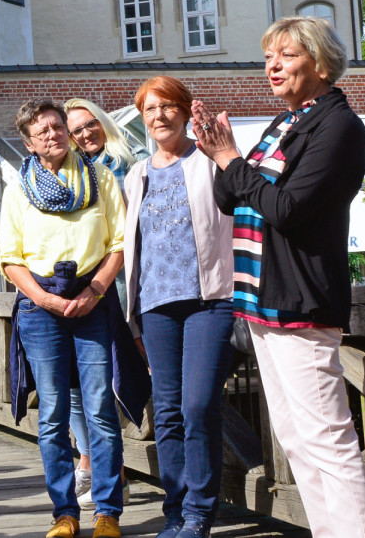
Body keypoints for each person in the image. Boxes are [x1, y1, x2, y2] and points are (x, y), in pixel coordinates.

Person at [193, 17, 365, 538]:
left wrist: (232, 160)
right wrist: (220, 153)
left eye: (287, 55)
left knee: (327, 438)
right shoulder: (286, 123)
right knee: (297, 437)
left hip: (299, 299)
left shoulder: (339, 126)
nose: (272, 65)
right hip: (260, 300)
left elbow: (287, 208)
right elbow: (231, 197)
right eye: (268, 56)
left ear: (321, 65)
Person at [0, 99, 144, 538]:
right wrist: (44, 299)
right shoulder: (18, 187)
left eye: (56, 126)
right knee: (54, 413)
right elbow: (9, 257)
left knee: (99, 409)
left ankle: (107, 512)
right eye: (40, 131)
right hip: (42, 308)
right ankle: (64, 513)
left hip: (93, 301)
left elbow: (119, 242)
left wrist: (96, 289)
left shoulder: (98, 177)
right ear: (28, 142)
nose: (52, 135)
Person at [122, 77, 234, 538]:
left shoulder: (209, 162)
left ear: (186, 111)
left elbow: (246, 210)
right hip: (156, 304)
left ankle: (200, 511)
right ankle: (176, 510)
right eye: (150, 109)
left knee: (199, 404)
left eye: (168, 106)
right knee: (166, 410)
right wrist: (131, 318)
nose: (159, 116)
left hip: (210, 299)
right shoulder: (136, 175)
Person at [63, 98, 141, 507]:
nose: (84, 134)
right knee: (79, 383)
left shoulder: (131, 162)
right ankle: (96, 463)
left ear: (102, 122)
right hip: (83, 289)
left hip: (127, 288)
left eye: (89, 124)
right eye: (75, 130)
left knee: (119, 381)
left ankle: (112, 471)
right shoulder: (71, 174)